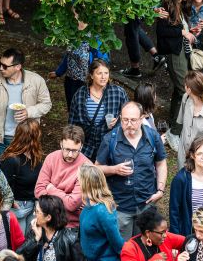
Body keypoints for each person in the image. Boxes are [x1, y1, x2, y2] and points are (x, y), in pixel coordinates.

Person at [95, 101, 168, 241]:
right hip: (120, 206)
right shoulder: (110, 139)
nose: (129, 124)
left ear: (142, 119)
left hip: (147, 203)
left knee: (147, 245)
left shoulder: (153, 137)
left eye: (133, 120)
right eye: (125, 120)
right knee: (124, 248)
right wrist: (114, 169)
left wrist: (160, 190)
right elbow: (96, 168)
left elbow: (161, 163)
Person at [0, 48, 52, 156]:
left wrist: (29, 112)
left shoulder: (36, 80)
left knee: (26, 170)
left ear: (18, 67)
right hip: (2, 138)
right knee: (3, 171)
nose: (0, 68)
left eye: (5, 66)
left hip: (27, 136)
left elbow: (46, 104)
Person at [155, 0, 194, 150]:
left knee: (180, 91)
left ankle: (174, 126)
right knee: (184, 90)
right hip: (174, 53)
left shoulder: (181, 6)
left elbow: (179, 30)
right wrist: (182, 32)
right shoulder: (167, 4)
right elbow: (162, 30)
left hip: (182, 53)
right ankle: (175, 131)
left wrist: (189, 33)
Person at [68, 58, 129, 161]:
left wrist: (118, 122)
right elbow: (72, 124)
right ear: (91, 75)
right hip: (86, 149)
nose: (103, 77)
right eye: (99, 73)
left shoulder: (118, 93)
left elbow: (129, 117)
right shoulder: (80, 95)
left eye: (106, 73)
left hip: (110, 148)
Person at [35, 125, 91, 229]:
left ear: (81, 147)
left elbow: (72, 204)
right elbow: (38, 191)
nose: (70, 154)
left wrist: (51, 189)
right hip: (48, 221)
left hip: (72, 226)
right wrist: (66, 198)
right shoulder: (51, 158)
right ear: (61, 144)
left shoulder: (86, 166)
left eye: (75, 150)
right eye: (67, 149)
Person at [0, 119, 44, 234]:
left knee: (31, 238)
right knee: (19, 242)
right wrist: (11, 201)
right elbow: (3, 184)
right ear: (33, 137)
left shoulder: (35, 154)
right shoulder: (11, 159)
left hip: (33, 205)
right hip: (18, 207)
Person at [78, 164, 124, 261]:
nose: (77, 181)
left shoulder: (103, 211)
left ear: (87, 183)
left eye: (79, 179)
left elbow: (116, 241)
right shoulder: (88, 202)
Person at [16, 195, 80, 261]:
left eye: (37, 211)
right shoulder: (34, 231)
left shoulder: (70, 239)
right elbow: (18, 256)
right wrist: (35, 239)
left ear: (48, 217)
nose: (34, 214)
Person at [176, 71, 203, 169]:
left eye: (185, 85)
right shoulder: (185, 98)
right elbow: (182, 122)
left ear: (189, 89)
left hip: (200, 161)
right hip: (183, 157)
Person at [120, 208, 186, 261]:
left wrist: (178, 257)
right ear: (148, 233)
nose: (165, 235)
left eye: (166, 231)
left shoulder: (166, 237)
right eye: (162, 232)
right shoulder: (130, 249)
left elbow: (188, 240)